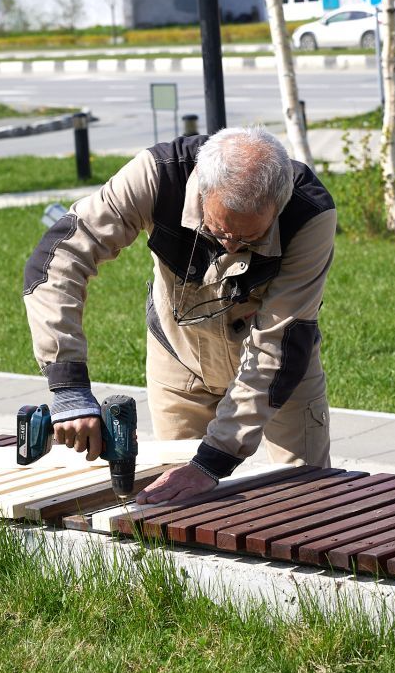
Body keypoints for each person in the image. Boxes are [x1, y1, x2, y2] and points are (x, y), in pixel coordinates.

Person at [23, 126, 336, 504]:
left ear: (280, 204)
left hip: (279, 374)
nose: (231, 246)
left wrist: (212, 462)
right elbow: (60, 260)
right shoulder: (157, 175)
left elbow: (280, 345)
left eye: (249, 239)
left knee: (309, 498)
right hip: (179, 357)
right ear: (202, 187)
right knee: (176, 503)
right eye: (219, 231)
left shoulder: (309, 214)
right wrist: (68, 385)